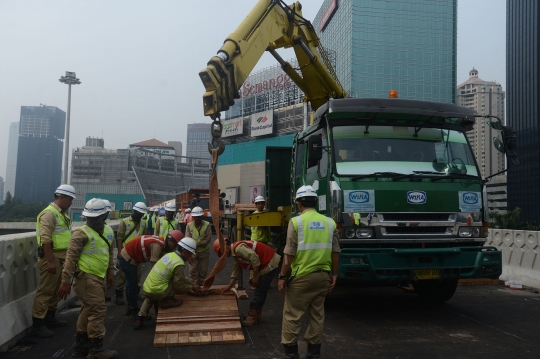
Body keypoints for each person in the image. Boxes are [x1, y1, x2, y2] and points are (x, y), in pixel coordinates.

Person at [278, 185, 341, 359]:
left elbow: (289, 253)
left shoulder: (296, 222)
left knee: (292, 316)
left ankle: (291, 355)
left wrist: (282, 276)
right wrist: (334, 275)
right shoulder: (330, 222)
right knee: (317, 315)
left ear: (299, 204)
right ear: (315, 202)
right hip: (323, 277)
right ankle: (313, 354)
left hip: (301, 279)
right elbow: (336, 251)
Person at [58, 198, 117, 358]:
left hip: (99, 277)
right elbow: (70, 258)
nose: (91, 220)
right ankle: (96, 349)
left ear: (104, 216)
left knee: (87, 309)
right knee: (98, 310)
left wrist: (111, 272)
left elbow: (109, 253)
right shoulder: (80, 233)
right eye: (89, 218)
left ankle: (81, 347)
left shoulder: (108, 232)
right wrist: (65, 282)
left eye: (95, 218)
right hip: (86, 279)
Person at [31, 184, 76, 338]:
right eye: (70, 199)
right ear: (61, 197)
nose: (71, 202)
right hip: (52, 257)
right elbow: (46, 240)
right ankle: (38, 324)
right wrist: (50, 261)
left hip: (62, 257)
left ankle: (50, 317)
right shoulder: (49, 214)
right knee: (46, 291)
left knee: (57, 290)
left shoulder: (62, 214)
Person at [134, 237, 202, 329]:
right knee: (173, 282)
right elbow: (178, 285)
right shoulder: (179, 263)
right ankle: (167, 300)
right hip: (158, 291)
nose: (191, 257)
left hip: (147, 288)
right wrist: (192, 288)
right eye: (190, 254)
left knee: (150, 297)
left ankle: (140, 317)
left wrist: (192, 284)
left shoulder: (170, 255)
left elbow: (181, 278)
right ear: (184, 252)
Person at [119, 230, 184, 317]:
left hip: (131, 257)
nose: (174, 248)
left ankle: (130, 307)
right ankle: (134, 310)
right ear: (170, 241)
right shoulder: (157, 246)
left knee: (131, 284)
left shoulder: (162, 243)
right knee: (132, 284)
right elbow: (155, 267)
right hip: (127, 258)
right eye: (175, 245)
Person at [217, 239, 280, 326]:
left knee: (260, 291)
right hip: (266, 262)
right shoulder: (236, 254)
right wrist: (229, 287)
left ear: (225, 247)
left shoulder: (238, 249)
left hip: (269, 262)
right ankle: (256, 315)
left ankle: (252, 316)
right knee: (261, 291)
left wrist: (254, 277)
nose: (224, 256)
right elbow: (236, 271)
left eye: (222, 253)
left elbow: (255, 258)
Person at [115, 202, 147, 306]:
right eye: (140, 213)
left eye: (142, 213)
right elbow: (119, 237)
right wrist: (119, 251)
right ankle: (119, 294)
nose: (141, 215)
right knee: (123, 275)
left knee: (137, 275)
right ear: (135, 211)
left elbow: (144, 238)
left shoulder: (143, 223)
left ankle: (135, 294)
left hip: (137, 254)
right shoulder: (124, 222)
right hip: (126, 253)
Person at [185, 206, 212, 286]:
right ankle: (195, 288)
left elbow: (208, 238)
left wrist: (198, 244)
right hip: (192, 253)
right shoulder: (189, 226)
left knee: (203, 272)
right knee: (193, 272)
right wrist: (188, 254)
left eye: (199, 217)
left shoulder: (207, 225)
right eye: (195, 217)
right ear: (192, 217)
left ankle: (201, 288)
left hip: (204, 252)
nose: (197, 219)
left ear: (202, 216)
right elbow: (187, 239)